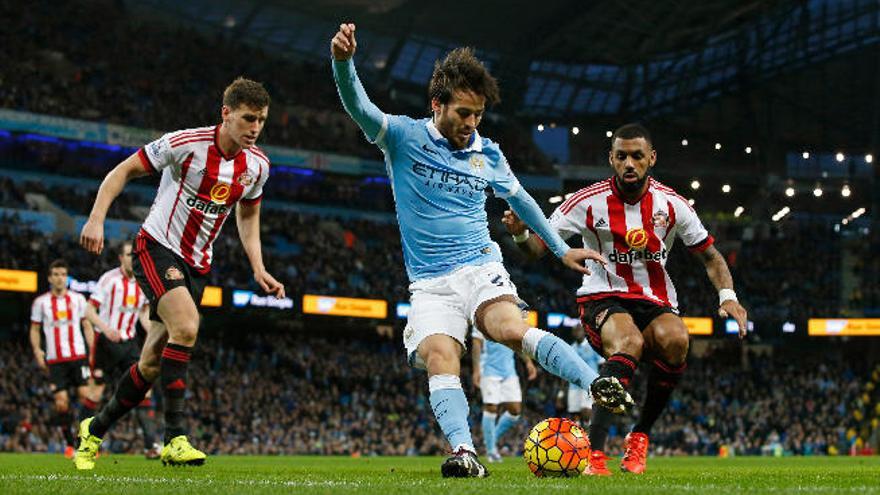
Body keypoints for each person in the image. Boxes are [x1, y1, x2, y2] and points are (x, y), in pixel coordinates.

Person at [331, 23, 632, 478]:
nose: (471, 124)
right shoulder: (402, 137)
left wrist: (559, 249)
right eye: (464, 113)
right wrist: (343, 62)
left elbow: (522, 201)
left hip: (479, 265)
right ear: (438, 105)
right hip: (430, 282)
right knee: (439, 355)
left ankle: (597, 384)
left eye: (478, 116)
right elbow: (358, 105)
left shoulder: (488, 153)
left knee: (510, 327)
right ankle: (465, 453)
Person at [503, 123, 748, 475]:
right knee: (628, 341)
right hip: (601, 297)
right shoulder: (584, 202)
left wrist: (728, 296)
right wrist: (522, 232)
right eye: (621, 156)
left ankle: (640, 436)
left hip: (655, 300)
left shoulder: (673, 204)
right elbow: (536, 250)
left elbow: (710, 256)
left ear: (652, 158)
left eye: (637, 156)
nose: (629, 163)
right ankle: (596, 454)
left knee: (677, 339)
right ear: (611, 159)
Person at [74, 77, 285, 470]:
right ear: (226, 114)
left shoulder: (257, 167)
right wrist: (96, 219)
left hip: (197, 264)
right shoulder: (186, 143)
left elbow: (249, 214)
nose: (255, 128)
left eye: (261, 121)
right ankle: (175, 438)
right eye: (248, 119)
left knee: (151, 363)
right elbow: (122, 171)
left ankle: (94, 429)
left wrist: (258, 267)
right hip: (156, 246)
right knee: (187, 326)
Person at [87, 241, 160, 459]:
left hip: (129, 344)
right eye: (129, 254)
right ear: (120, 257)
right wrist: (107, 329)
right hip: (106, 344)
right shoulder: (109, 280)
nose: (133, 258)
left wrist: (157, 333)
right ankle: (86, 443)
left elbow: (142, 314)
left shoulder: (142, 281)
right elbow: (89, 311)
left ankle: (150, 446)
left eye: (136, 254)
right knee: (95, 394)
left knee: (143, 389)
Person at [29, 259, 95, 458]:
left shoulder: (78, 300)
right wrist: (37, 351)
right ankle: (69, 444)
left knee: (86, 397)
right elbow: (34, 329)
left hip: (78, 356)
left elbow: (87, 326)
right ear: (50, 278)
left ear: (67, 278)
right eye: (56, 274)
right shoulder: (40, 302)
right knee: (61, 403)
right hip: (55, 359)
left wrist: (93, 350)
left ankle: (85, 442)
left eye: (63, 275)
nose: (60, 278)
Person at [471, 325, 537, 462]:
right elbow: (476, 344)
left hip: (508, 371)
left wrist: (528, 362)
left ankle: (491, 439)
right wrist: (476, 369)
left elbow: (516, 344)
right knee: (491, 407)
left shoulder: (508, 318)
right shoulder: (482, 318)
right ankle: (491, 451)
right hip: (488, 369)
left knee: (515, 411)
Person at [566, 323, 603, 425]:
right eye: (575, 330)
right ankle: (578, 439)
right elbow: (565, 368)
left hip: (589, 384)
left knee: (585, 413)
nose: (577, 332)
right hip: (574, 385)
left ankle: (589, 434)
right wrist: (561, 392)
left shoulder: (593, 346)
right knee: (575, 416)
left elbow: (601, 364)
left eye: (579, 330)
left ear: (584, 332)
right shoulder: (570, 348)